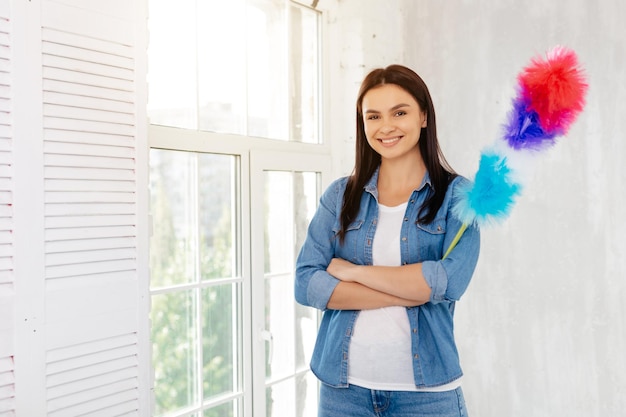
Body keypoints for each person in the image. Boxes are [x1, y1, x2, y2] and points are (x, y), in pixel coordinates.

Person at [294, 64, 480, 417]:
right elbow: (306, 284)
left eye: (400, 112)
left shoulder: (458, 198)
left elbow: (449, 282)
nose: (386, 126)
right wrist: (410, 290)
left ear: (423, 116)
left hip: (426, 397)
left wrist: (353, 272)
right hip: (342, 394)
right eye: (373, 116)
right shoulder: (339, 196)